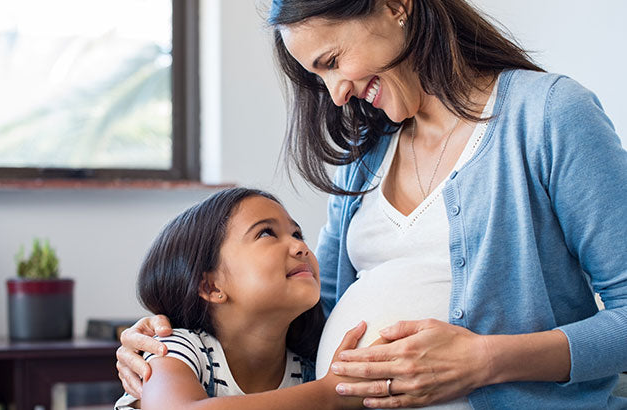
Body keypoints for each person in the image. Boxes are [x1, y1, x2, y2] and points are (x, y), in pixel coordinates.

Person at [116, 0, 627, 408]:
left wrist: (485, 361)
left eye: (333, 61)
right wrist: (171, 342)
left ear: (395, 5)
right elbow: (315, 315)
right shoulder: (365, 157)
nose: (336, 94)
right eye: (318, 78)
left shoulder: (549, 116)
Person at [114, 187, 370, 409]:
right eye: (266, 233)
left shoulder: (308, 370)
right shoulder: (176, 350)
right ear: (211, 286)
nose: (300, 247)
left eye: (296, 234)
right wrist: (330, 395)